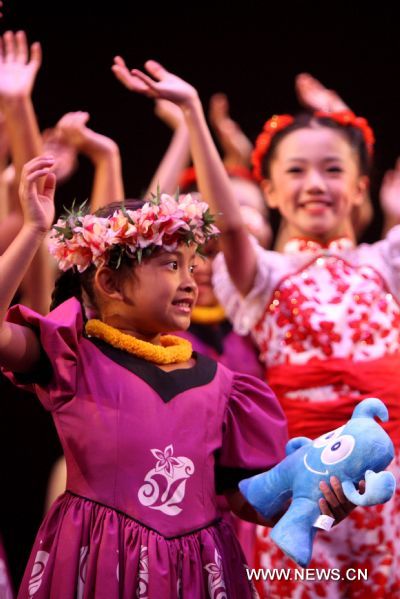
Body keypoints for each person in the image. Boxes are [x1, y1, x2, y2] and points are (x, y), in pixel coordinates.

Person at [0, 152, 290, 598]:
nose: (192, 281)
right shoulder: (72, 356)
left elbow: (245, 499)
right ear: (110, 284)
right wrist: (32, 230)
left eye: (192, 266)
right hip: (98, 561)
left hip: (198, 570)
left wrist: (314, 497)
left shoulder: (221, 383)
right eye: (173, 266)